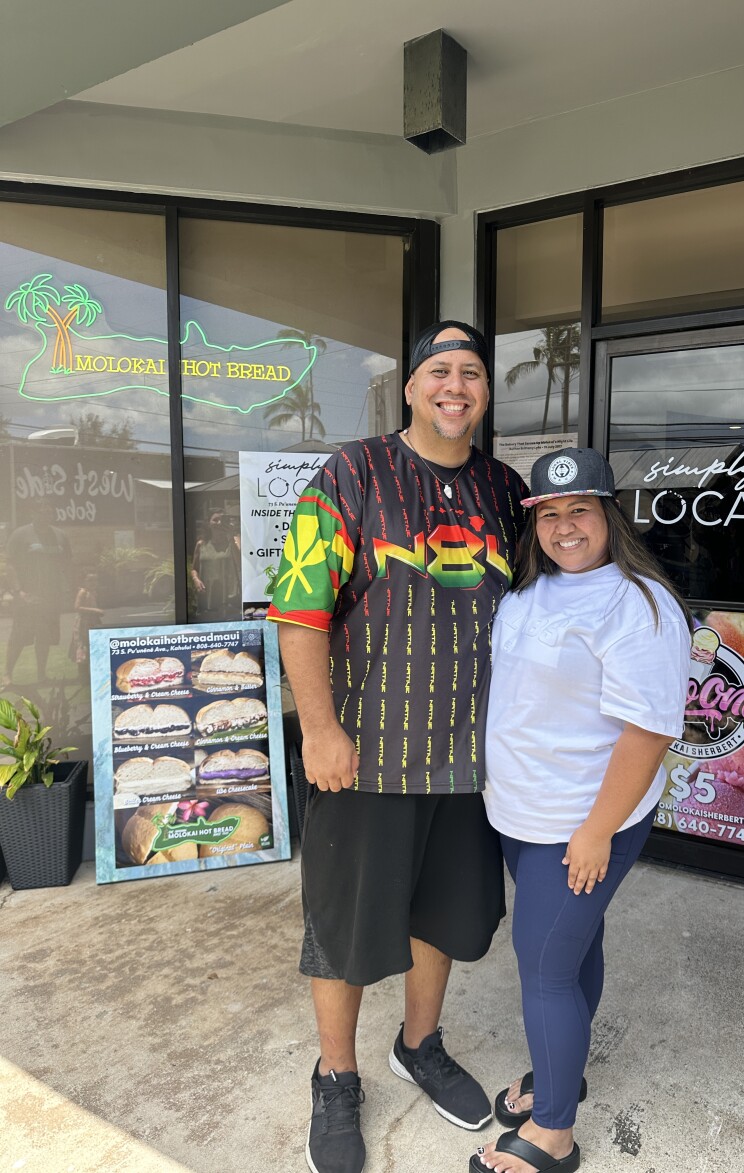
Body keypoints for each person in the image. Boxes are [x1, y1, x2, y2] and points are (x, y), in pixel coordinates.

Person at [267, 321, 527, 1173]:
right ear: (412, 387)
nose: (456, 385)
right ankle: (336, 1074)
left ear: (484, 392)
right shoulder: (351, 472)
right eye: (439, 370)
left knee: (443, 917)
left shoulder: (504, 488)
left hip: (470, 760)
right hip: (364, 757)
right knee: (343, 928)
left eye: (472, 372)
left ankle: (419, 1043)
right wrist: (320, 728)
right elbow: (298, 610)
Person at [471, 448, 691, 1173]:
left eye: (581, 510)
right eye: (551, 513)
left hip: (585, 820)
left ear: (609, 516)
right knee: (572, 951)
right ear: (535, 522)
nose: (567, 527)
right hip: (521, 813)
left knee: (543, 967)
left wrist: (597, 829)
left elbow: (650, 729)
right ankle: (560, 1071)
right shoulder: (528, 592)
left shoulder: (640, 603)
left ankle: (554, 1134)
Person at [3, 500, 72, 685]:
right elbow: (9, 565)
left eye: (49, 513)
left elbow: (66, 565)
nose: (46, 516)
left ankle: (41, 675)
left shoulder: (60, 535)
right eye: (41, 513)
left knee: (44, 636)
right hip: (27, 595)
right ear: (33, 514)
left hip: (51, 597)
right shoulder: (20, 534)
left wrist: (69, 590)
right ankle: (7, 674)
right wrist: (18, 591)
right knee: (19, 636)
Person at [191, 510, 241, 622]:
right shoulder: (201, 544)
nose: (218, 523)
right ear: (208, 523)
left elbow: (239, 563)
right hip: (207, 594)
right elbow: (195, 569)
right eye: (215, 520)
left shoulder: (235, 541)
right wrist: (196, 579)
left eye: (222, 520)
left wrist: (230, 538)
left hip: (229, 595)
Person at [69, 571, 103, 680]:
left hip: (93, 622)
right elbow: (77, 607)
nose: (93, 583)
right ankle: (83, 675)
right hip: (83, 623)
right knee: (82, 646)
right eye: (90, 580)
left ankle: (91, 673)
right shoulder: (83, 592)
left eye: (95, 580)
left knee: (92, 646)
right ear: (84, 581)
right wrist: (95, 610)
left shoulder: (93, 592)